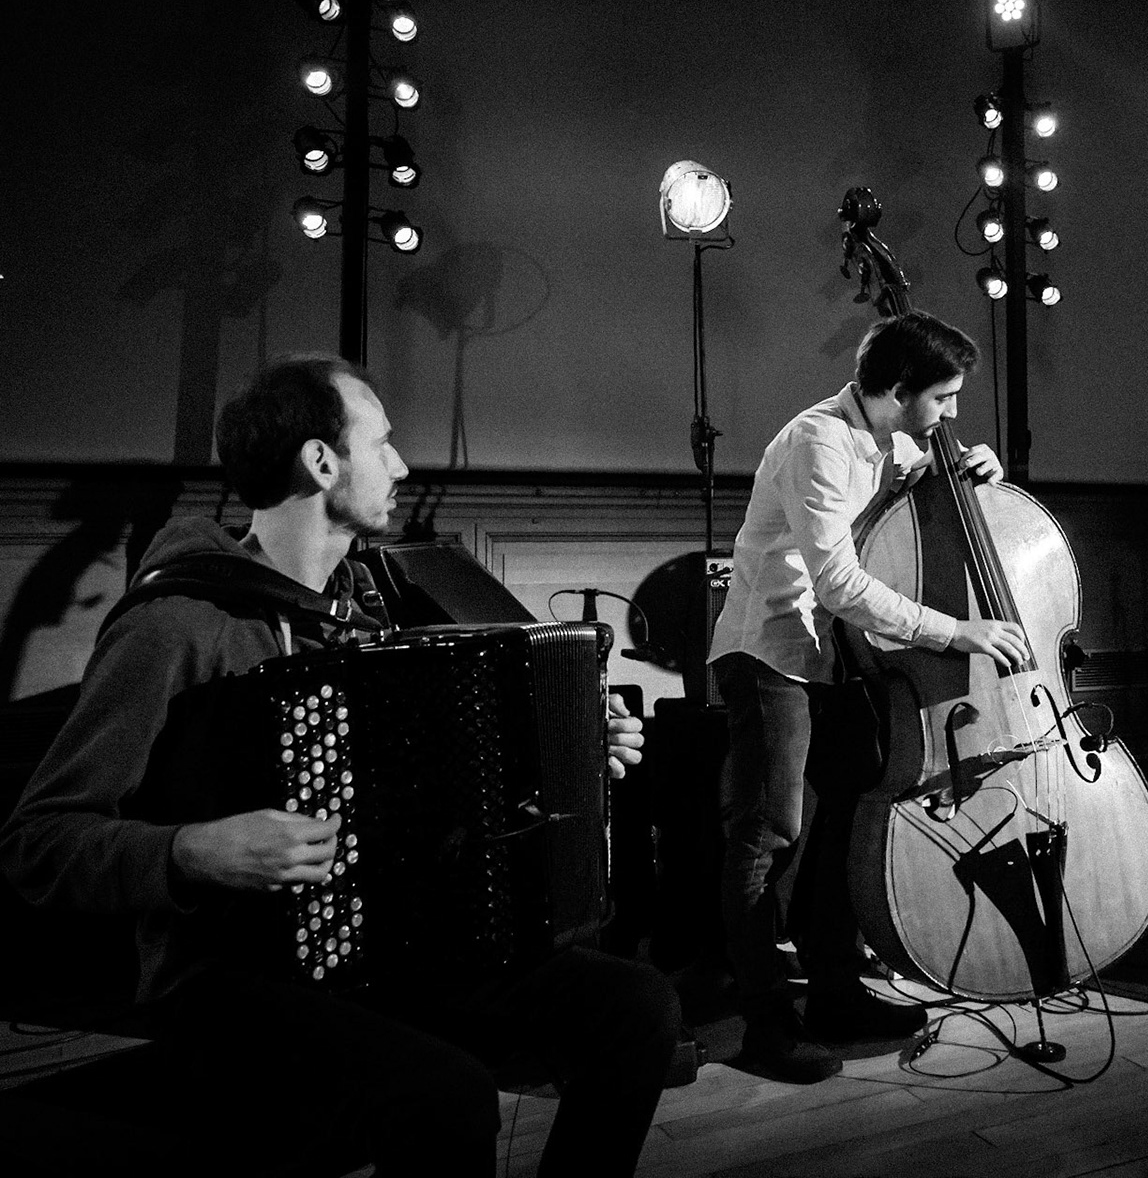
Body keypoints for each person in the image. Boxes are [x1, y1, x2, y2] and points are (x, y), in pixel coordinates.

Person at [0, 355, 679, 1176]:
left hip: (382, 954)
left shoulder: (372, 605)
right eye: (383, 441)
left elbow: (443, 794)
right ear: (322, 462)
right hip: (225, 983)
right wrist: (190, 851)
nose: (399, 465)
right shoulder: (177, 626)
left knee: (636, 1005)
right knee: (446, 1095)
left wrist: (569, 751)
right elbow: (37, 842)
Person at [707, 311, 1027, 1084]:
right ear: (895, 388)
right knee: (769, 834)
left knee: (839, 827)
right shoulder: (819, 439)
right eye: (944, 398)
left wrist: (972, 473)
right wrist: (958, 632)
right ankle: (765, 1025)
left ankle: (838, 994)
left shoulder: (892, 440)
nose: (951, 413)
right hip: (771, 653)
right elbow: (839, 583)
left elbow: (905, 505)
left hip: (831, 660)